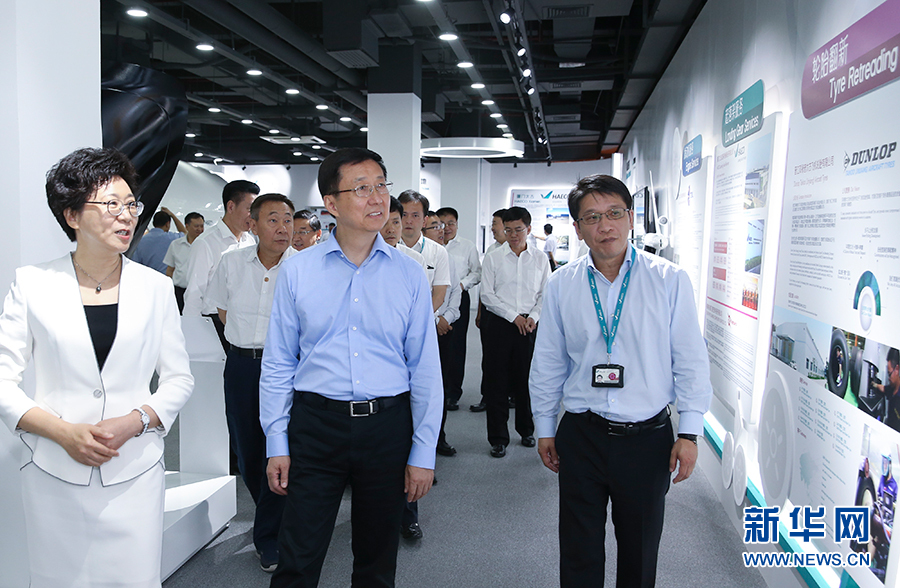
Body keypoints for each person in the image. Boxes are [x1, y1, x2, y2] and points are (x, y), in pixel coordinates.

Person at [0, 147, 194, 588]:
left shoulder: (156, 288)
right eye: (111, 204)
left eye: (131, 204)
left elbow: (178, 378)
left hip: (133, 471)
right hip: (54, 472)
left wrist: (136, 420)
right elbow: (2, 380)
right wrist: (62, 432)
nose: (126, 216)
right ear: (72, 215)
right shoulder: (33, 283)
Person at [260, 148, 442, 587]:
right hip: (316, 426)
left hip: (386, 427)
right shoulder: (298, 271)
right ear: (331, 203)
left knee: (377, 561)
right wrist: (276, 441)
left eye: (381, 185)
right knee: (298, 557)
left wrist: (423, 451)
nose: (377, 198)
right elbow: (279, 362)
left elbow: (424, 368)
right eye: (361, 189)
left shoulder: (409, 274)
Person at [529, 174, 712, 587]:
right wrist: (544, 427)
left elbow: (690, 359)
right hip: (582, 434)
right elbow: (548, 362)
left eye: (614, 213)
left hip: (646, 439)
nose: (605, 226)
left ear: (631, 217)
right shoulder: (561, 284)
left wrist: (690, 432)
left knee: (640, 550)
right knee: (578, 549)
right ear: (577, 228)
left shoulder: (669, 280)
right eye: (592, 217)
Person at [207, 194, 296, 572]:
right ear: (253, 225)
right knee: (247, 450)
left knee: (281, 448)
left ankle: (270, 536)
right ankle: (273, 517)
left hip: (286, 368)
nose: (283, 228)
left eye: (288, 219)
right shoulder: (231, 263)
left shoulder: (303, 267)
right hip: (242, 366)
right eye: (273, 219)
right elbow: (221, 310)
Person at [480, 206, 549, 458]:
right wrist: (513, 316)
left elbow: (545, 293)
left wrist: (533, 317)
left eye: (518, 229)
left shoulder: (540, 259)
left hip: (529, 326)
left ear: (529, 229)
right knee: (496, 382)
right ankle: (498, 438)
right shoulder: (493, 257)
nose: (513, 235)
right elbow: (487, 295)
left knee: (527, 380)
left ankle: (526, 430)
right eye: (508, 230)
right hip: (500, 324)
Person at [183, 180, 259, 349]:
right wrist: (192, 335)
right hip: (213, 323)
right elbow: (194, 293)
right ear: (231, 206)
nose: (253, 216)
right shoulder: (206, 243)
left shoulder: (250, 241)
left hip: (242, 324)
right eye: (249, 209)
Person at [436, 207, 481, 412]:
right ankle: (436, 390)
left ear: (457, 224)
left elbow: (476, 272)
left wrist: (461, 285)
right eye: (442, 223)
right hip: (435, 298)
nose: (446, 228)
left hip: (459, 297)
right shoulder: (431, 245)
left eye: (451, 223)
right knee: (436, 347)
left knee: (455, 347)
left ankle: (452, 393)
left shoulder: (467, 246)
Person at [471, 208, 507, 413]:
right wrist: (479, 313)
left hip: (514, 316)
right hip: (491, 313)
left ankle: (511, 395)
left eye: (495, 223)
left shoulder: (525, 253)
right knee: (490, 358)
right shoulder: (492, 251)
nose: (492, 228)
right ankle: (488, 396)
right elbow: (485, 288)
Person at [398, 190, 450, 313]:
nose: (408, 221)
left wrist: (419, 318)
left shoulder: (438, 252)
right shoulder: (388, 247)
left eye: (415, 215)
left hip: (425, 318)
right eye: (404, 215)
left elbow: (439, 295)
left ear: (424, 221)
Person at [163, 212, 205, 313]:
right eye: (196, 226)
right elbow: (170, 269)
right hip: (179, 291)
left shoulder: (207, 246)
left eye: (202, 226)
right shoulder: (176, 244)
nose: (200, 229)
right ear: (187, 226)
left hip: (200, 292)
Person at [131, 208, 185, 273]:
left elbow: (135, 263)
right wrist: (172, 215)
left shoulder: (141, 241)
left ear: (153, 223)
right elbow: (185, 233)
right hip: (165, 277)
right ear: (167, 224)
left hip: (146, 277)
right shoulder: (172, 238)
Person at [876, 348, 900, 431]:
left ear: (897, 369)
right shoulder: (892, 389)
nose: (888, 378)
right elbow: (883, 388)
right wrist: (874, 384)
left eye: (889, 374)